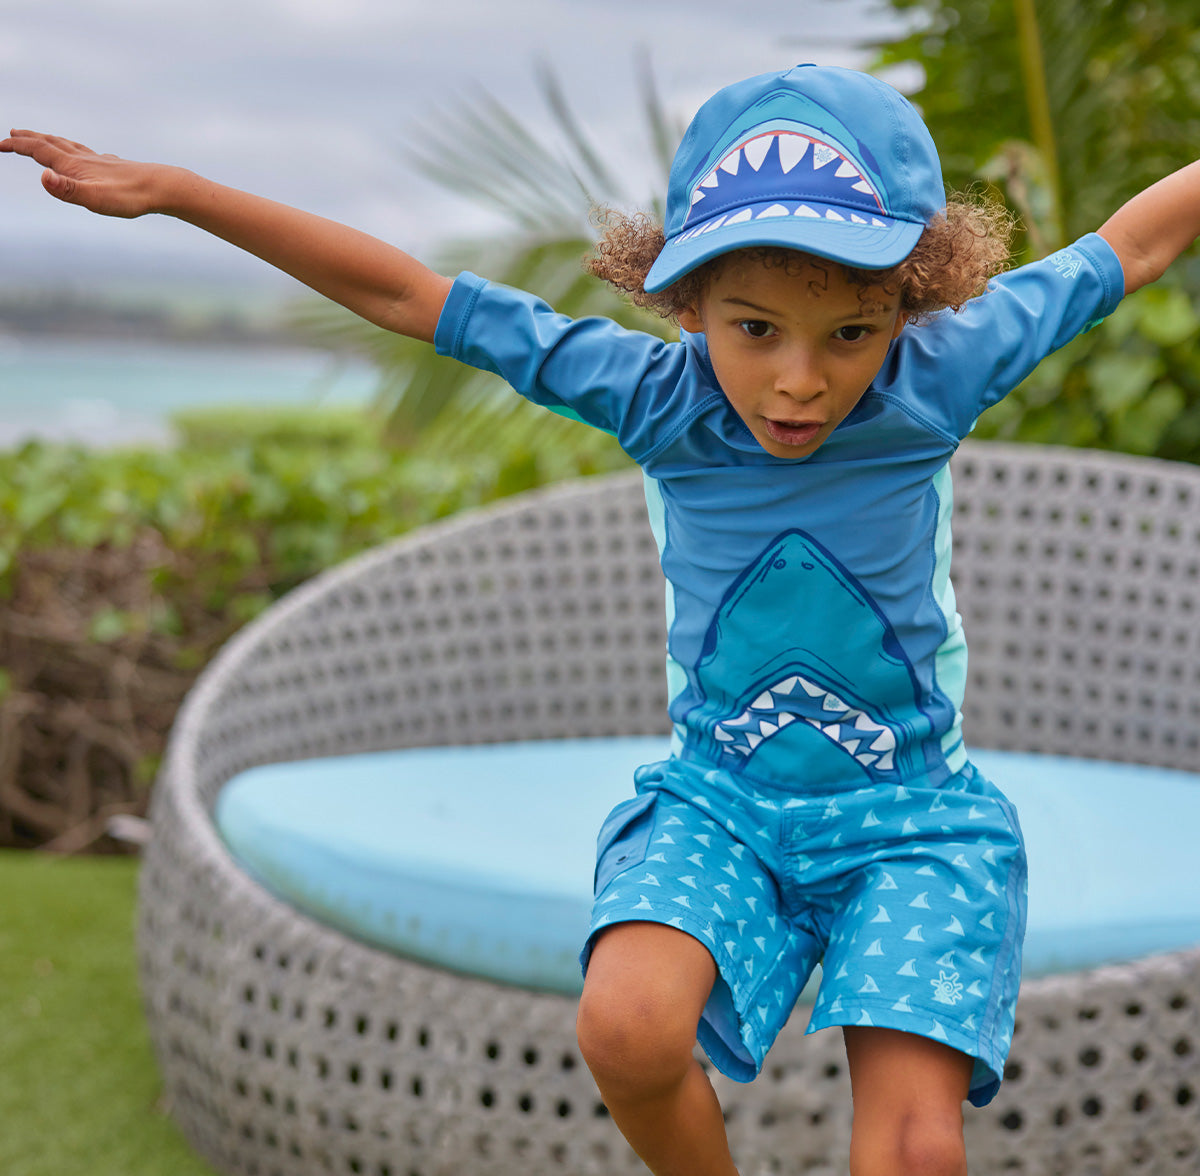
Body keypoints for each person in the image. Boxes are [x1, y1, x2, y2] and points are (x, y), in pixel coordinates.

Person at [5, 63, 1199, 1176]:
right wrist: (176, 193)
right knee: (627, 1029)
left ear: (912, 300)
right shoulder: (655, 399)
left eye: (850, 333)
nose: (799, 380)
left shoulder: (943, 372)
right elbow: (408, 293)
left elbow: (1134, 244)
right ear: (686, 299)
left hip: (912, 818)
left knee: (917, 1152)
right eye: (755, 328)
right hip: (722, 803)